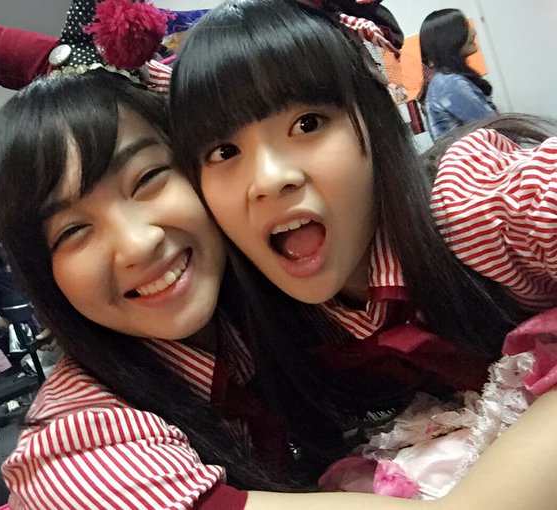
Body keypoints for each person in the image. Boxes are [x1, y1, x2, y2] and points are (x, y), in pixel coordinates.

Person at [0, 61, 557, 509]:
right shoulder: (82, 445)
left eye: (149, 178)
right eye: (72, 231)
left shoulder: (295, 288)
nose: (136, 244)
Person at [170, 0, 557, 501]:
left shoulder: (466, 207)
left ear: (373, 122)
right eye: (224, 152)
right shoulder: (255, 321)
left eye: (308, 123)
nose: (269, 179)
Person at [418, 8, 498, 140]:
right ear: (449, 38)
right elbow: (496, 131)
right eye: (465, 27)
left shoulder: (443, 80)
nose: (473, 32)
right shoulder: (449, 84)